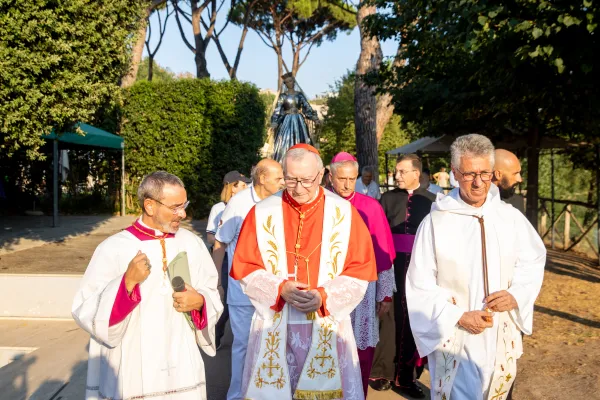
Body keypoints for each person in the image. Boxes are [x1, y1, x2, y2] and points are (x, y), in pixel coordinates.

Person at [231, 143, 377, 399]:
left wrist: (323, 296)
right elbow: (246, 267)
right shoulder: (262, 212)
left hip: (327, 320)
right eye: (290, 180)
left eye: (307, 180)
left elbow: (359, 270)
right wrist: (279, 289)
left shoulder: (344, 213)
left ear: (321, 175)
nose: (298, 188)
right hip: (276, 322)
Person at [407, 134, 546, 399]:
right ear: (455, 173)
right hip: (456, 334)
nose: (479, 182)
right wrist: (457, 315)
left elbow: (533, 260)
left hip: (500, 331)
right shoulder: (437, 222)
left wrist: (516, 294)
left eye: (485, 173)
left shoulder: (509, 217)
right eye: (470, 174)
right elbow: (419, 282)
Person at [72, 171, 223, 400]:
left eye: (184, 205)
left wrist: (200, 302)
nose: (182, 213)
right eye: (175, 207)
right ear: (150, 206)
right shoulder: (113, 248)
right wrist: (126, 284)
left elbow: (212, 292)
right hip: (134, 368)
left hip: (182, 363)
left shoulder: (192, 244)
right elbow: (86, 309)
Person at [212, 159, 285, 400]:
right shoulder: (239, 203)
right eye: (279, 178)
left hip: (274, 291)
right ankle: (237, 395)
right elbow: (220, 243)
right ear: (262, 178)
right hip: (242, 291)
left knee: (271, 345)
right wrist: (217, 282)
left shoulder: (283, 201)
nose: (283, 182)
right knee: (243, 345)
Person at [329, 151, 396, 399]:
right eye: (342, 178)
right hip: (329, 287)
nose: (347, 184)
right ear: (330, 176)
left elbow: (384, 255)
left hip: (362, 287)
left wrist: (386, 294)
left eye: (352, 178)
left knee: (360, 346)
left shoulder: (371, 206)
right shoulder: (321, 204)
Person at [369, 154, 436, 398]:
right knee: (388, 317)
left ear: (416, 173)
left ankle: (406, 377)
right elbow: (376, 234)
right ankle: (382, 371)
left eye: (401, 171)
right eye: (396, 171)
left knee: (412, 321)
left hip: (419, 269)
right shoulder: (386, 199)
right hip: (391, 266)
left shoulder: (432, 201)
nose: (396, 176)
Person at [207, 170, 252, 350]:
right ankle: (215, 336)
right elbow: (212, 237)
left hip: (239, 258)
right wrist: (227, 239)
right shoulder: (218, 208)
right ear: (232, 187)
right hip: (224, 258)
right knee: (224, 301)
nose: (246, 187)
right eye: (242, 185)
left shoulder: (246, 205)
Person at [271, 73, 321, 163]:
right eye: (287, 82)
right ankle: (284, 162)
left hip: (299, 122)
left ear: (294, 81)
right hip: (286, 122)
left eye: (291, 81)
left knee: (302, 141)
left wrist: (315, 118)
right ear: (285, 84)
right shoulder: (283, 96)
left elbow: (307, 108)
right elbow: (277, 110)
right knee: (284, 143)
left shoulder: (299, 95)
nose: (290, 83)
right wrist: (274, 122)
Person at [492, 149, 525, 215]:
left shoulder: (516, 203)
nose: (520, 179)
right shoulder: (472, 206)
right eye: (515, 173)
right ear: (498, 174)